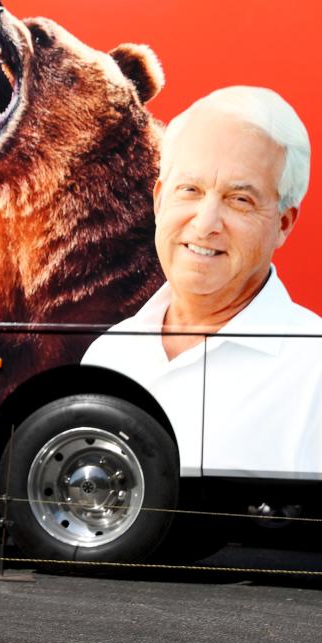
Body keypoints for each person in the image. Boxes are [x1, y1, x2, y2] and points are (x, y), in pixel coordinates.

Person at [82, 86, 322, 477]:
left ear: (283, 224)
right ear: (160, 201)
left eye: (240, 200)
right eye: (190, 190)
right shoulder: (108, 355)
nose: (206, 223)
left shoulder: (315, 368)